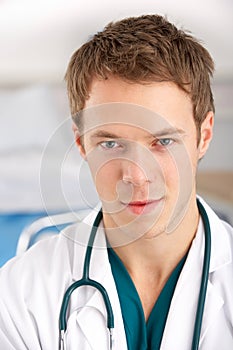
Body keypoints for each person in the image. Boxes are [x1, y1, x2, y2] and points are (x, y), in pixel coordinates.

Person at [0, 14, 233, 350]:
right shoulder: (20, 297)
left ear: (204, 135)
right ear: (81, 144)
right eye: (111, 144)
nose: (136, 176)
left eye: (163, 142)